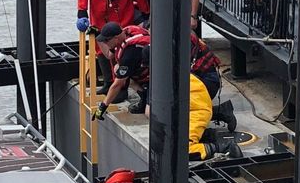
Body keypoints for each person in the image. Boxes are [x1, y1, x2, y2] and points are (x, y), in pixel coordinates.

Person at [93, 27, 240, 159]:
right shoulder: (167, 64)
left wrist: (102, 107)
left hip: (202, 97)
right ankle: (215, 121)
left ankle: (225, 147)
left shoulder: (162, 79)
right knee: (174, 124)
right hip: (199, 97)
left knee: (181, 150)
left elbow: (151, 111)